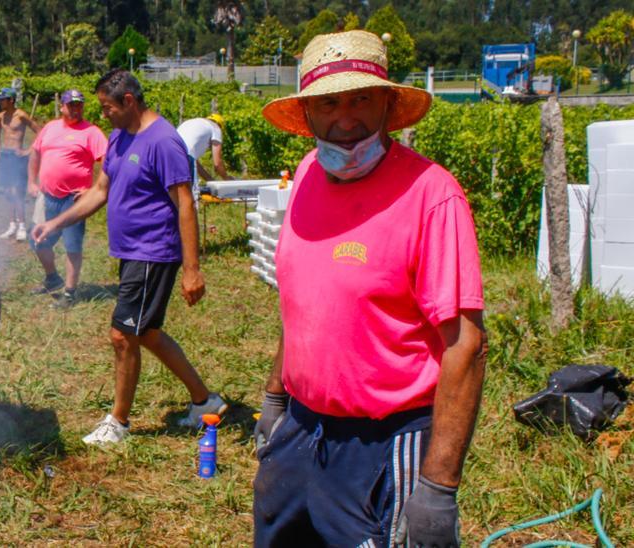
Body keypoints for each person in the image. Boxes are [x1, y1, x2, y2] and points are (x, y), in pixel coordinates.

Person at [250, 31, 487, 548]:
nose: (347, 117)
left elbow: (465, 344)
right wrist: (274, 400)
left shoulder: (431, 195)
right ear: (308, 114)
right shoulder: (309, 174)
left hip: (384, 444)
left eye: (361, 98)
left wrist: (437, 487)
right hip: (299, 430)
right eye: (329, 102)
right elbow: (305, 304)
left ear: (386, 103)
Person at [32, 70, 227, 446]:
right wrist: (56, 222)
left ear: (129, 102)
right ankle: (207, 401)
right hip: (132, 251)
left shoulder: (163, 142)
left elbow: (185, 203)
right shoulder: (121, 136)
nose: (102, 114)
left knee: (123, 335)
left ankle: (118, 423)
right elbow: (99, 190)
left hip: (153, 252)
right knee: (147, 333)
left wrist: (192, 270)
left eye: (107, 107)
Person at [26, 89, 107, 307]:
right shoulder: (50, 128)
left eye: (79, 104)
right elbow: (35, 153)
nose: (75, 108)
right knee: (36, 238)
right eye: (71, 105)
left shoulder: (92, 132)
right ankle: (52, 278)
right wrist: (31, 182)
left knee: (72, 245)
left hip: (73, 200)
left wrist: (93, 190)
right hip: (47, 195)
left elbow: (108, 161)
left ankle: (70, 293)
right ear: (62, 107)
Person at [0, 87, 42, 241]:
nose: (0, 102)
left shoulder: (21, 115)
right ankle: (11, 224)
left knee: (17, 192)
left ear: (11, 100)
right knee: (7, 192)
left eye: (3, 99)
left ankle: (22, 225)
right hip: (5, 157)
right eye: (0, 100)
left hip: (18, 157)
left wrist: (28, 150)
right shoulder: (0, 116)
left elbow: (39, 131)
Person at [175, 113, 229, 198]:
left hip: (169, 152)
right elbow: (217, 163)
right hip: (185, 156)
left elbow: (196, 165)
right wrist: (227, 179)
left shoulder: (193, 122)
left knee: (173, 192)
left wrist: (211, 181)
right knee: (190, 196)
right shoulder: (216, 127)